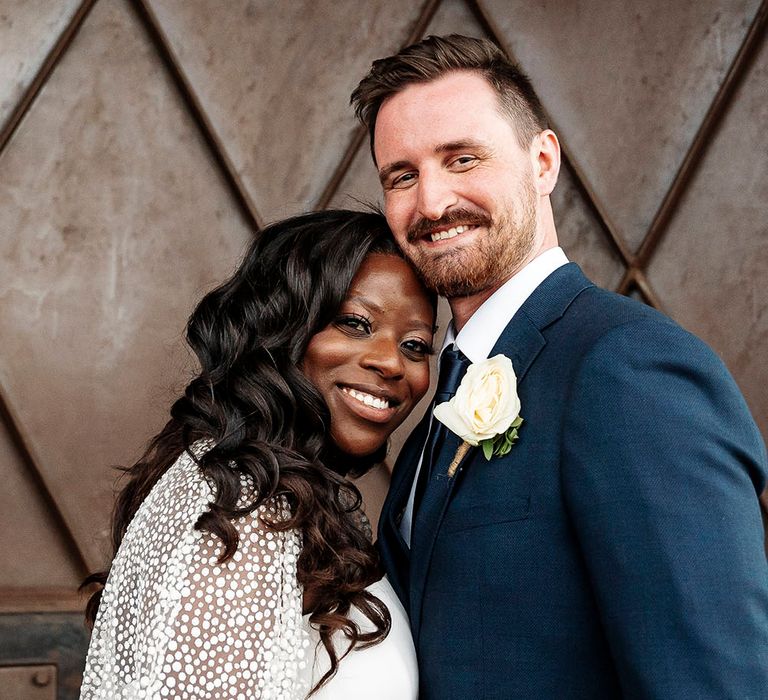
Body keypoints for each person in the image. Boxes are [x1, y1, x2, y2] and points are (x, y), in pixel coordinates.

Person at [351, 34, 768, 698]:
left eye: (462, 158)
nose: (431, 203)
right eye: (402, 175)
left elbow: (712, 683)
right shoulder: (444, 389)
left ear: (542, 161)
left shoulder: (631, 370)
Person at [79, 210, 435, 699]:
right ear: (279, 329)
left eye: (416, 345)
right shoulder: (238, 520)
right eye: (355, 323)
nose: (392, 362)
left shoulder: (274, 501)